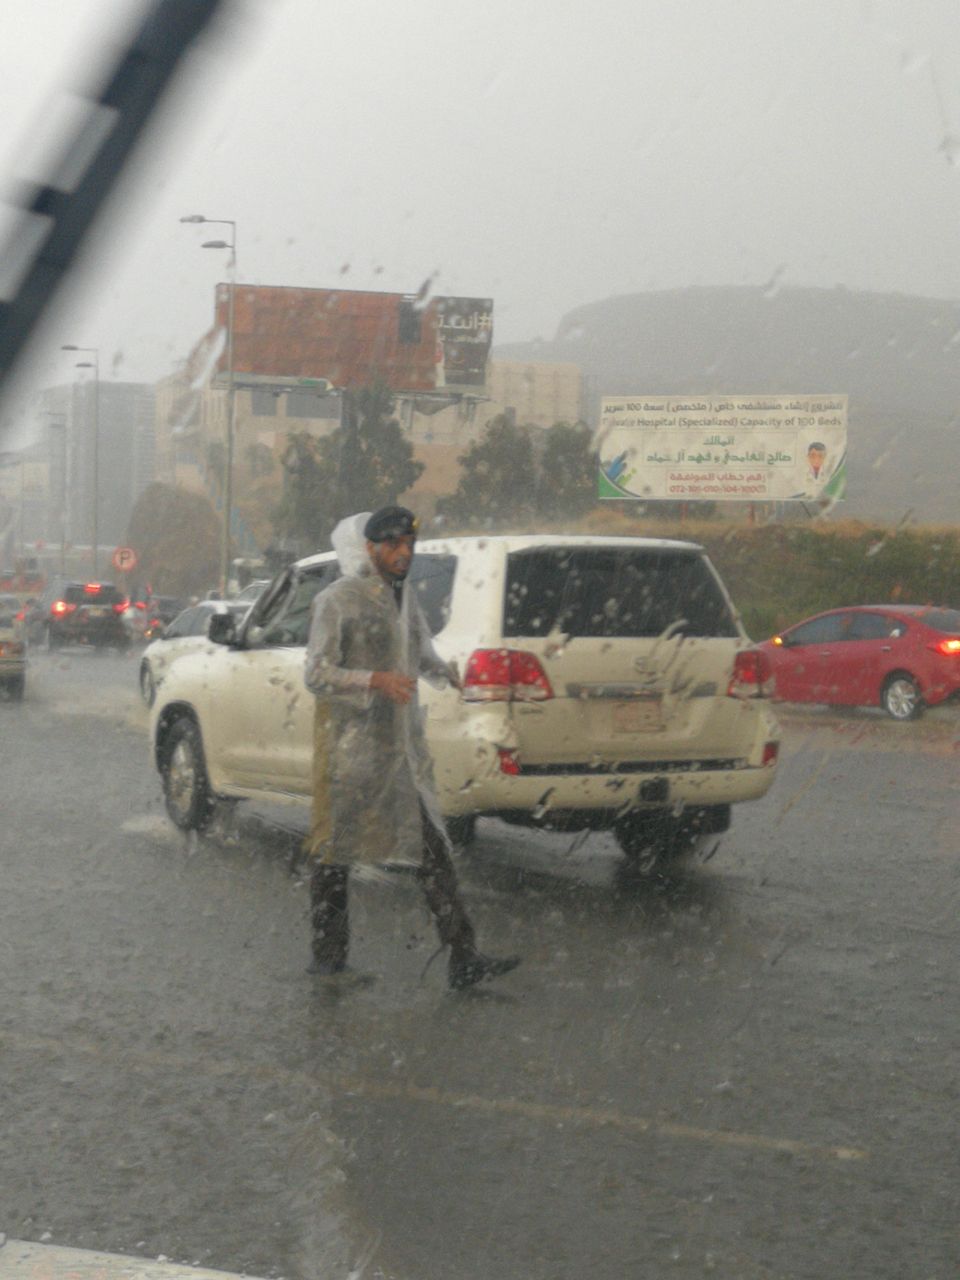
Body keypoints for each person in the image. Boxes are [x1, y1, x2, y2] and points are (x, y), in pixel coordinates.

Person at [302, 505, 520, 990]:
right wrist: (374, 680)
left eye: (410, 545)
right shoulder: (337, 600)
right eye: (394, 545)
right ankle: (328, 957)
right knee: (333, 856)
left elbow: (417, 649)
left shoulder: (404, 599)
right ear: (370, 548)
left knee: (432, 851)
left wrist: (443, 671)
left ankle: (463, 955)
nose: (405, 554)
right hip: (351, 754)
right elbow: (315, 673)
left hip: (400, 752)